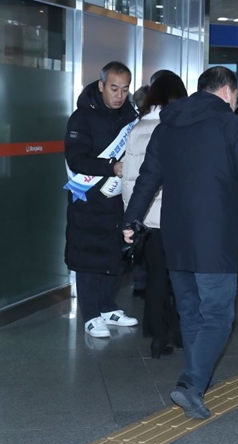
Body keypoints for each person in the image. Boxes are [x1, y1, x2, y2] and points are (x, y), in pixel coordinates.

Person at [123, 67, 238, 419]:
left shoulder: (167, 125)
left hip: (174, 234)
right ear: (228, 92)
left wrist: (130, 219)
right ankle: (190, 383)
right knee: (217, 314)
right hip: (215, 236)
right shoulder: (231, 125)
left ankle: (198, 377)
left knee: (190, 310)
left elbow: (148, 177)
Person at [63, 61, 139, 338]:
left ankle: (108, 307)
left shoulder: (130, 115)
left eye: (125, 89)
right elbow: (76, 158)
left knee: (114, 254)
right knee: (88, 257)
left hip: (118, 199)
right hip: (88, 199)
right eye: (114, 88)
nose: (119, 95)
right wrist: (111, 166)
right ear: (101, 86)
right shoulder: (82, 117)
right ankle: (91, 314)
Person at [122, 73, 188, 358]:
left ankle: (157, 337)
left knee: (156, 278)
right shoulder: (177, 129)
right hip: (175, 218)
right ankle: (179, 332)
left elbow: (129, 179)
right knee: (181, 279)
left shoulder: (136, 128)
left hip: (147, 220)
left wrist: (132, 217)